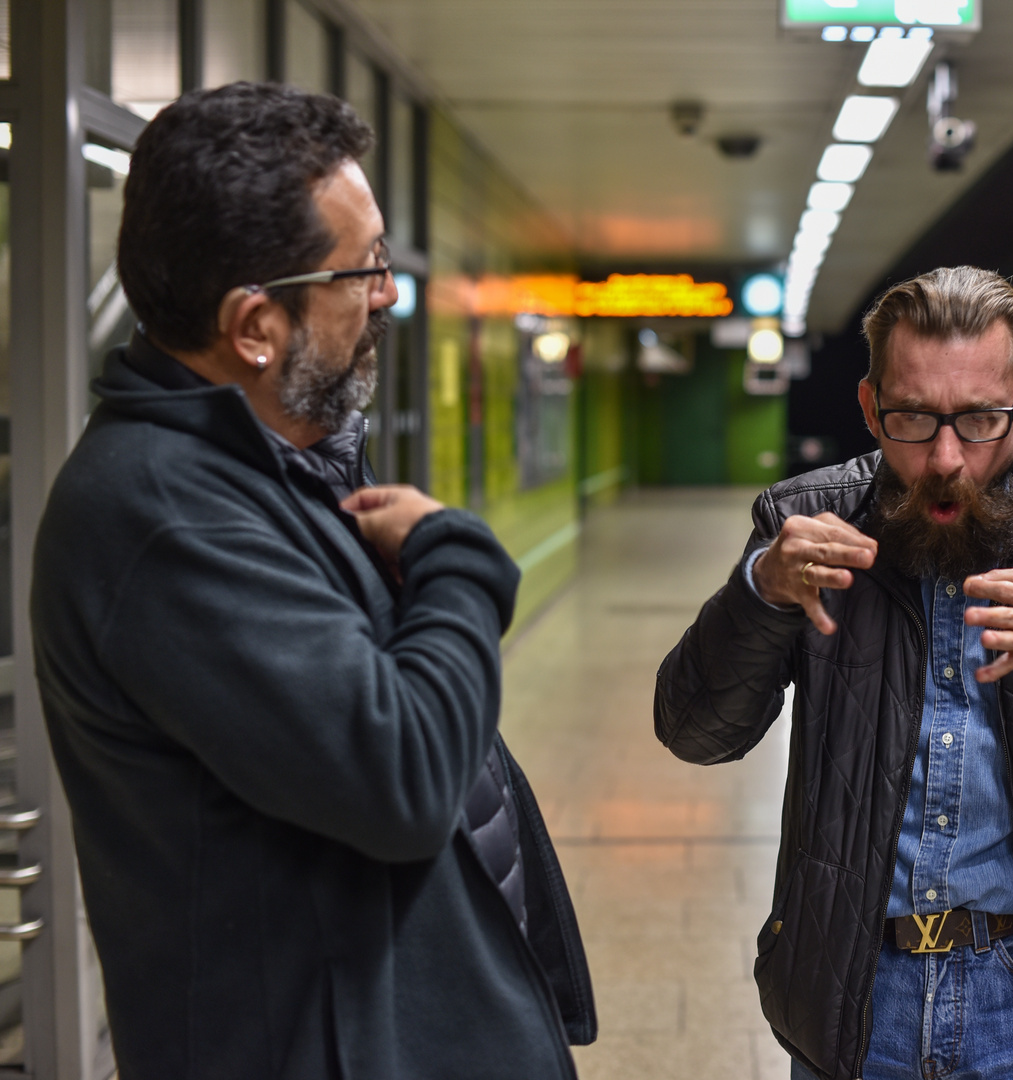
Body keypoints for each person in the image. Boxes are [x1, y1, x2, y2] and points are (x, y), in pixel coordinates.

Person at [31, 83, 593, 1080]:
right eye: (363, 268)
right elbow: (403, 776)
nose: (386, 292)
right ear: (256, 325)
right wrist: (455, 561)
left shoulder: (270, 463)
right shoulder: (167, 520)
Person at [655, 266, 1013, 1080]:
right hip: (850, 992)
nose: (945, 457)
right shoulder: (804, 524)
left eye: (980, 420)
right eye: (913, 418)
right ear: (869, 407)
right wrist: (758, 596)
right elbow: (694, 732)